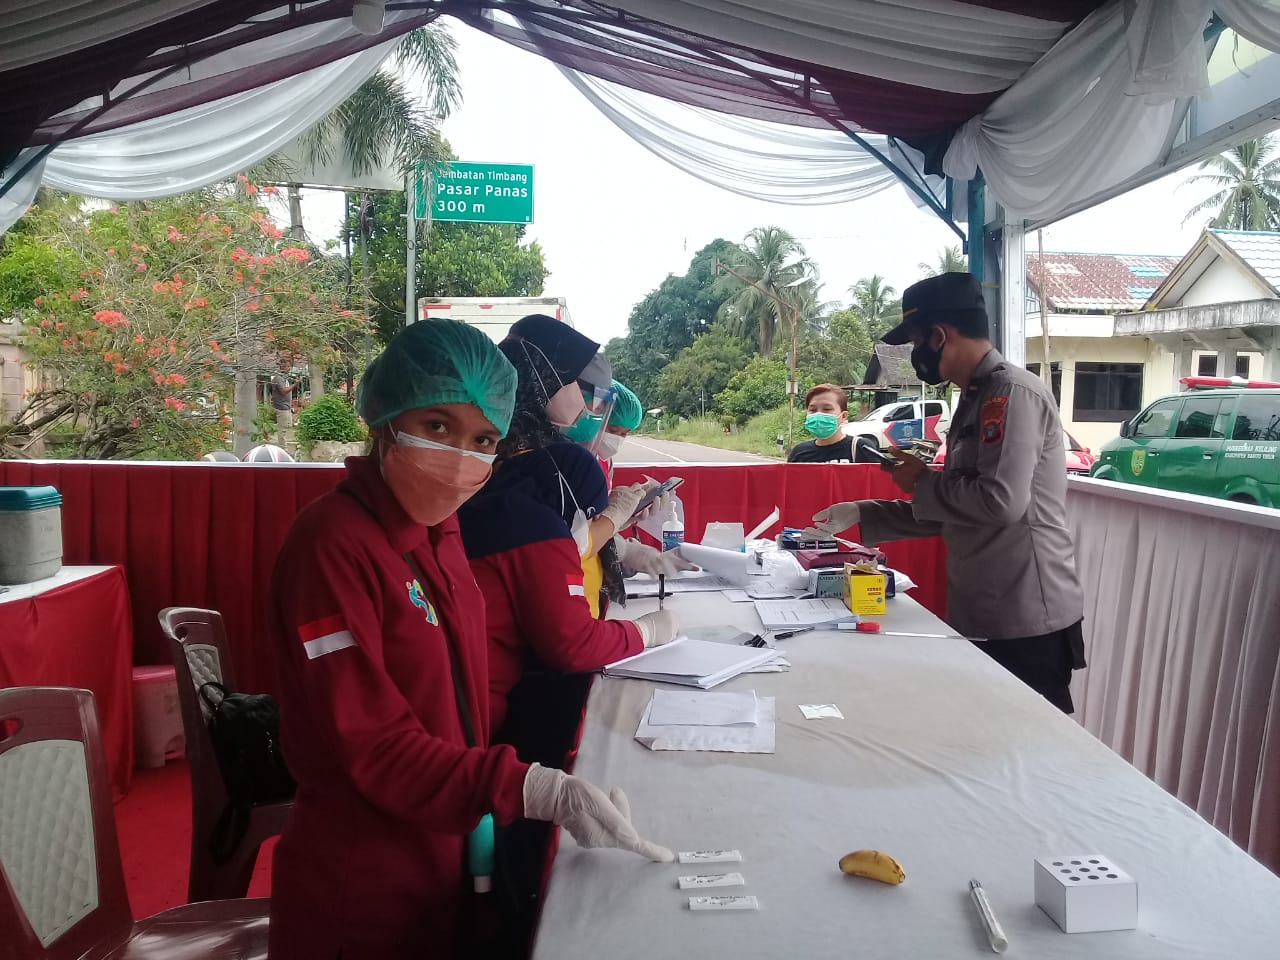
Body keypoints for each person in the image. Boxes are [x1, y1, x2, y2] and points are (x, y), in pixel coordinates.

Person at [266, 319, 671, 960]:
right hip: (363, 875)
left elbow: (460, 693)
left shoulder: (441, 531)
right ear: (384, 417)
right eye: (437, 427)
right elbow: (373, 748)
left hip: (446, 842)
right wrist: (531, 788)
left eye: (483, 439)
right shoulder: (332, 545)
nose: (460, 457)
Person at [805, 272, 1086, 713]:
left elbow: (998, 503)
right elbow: (958, 506)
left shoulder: (1010, 394)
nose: (916, 353)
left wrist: (921, 481)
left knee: (1029, 741)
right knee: (985, 732)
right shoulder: (974, 397)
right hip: (984, 605)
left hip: (1025, 612)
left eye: (917, 341)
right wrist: (865, 511)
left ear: (938, 336)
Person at [459, 314, 681, 744]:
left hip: (499, 672)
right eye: (582, 390)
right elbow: (567, 618)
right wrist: (648, 631)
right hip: (516, 687)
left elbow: (557, 552)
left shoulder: (527, 459)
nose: (590, 409)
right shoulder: (557, 468)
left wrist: (619, 535)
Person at [562, 377, 695, 580]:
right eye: (613, 430)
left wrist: (625, 515)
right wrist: (624, 546)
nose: (617, 439)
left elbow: (595, 523)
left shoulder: (604, 462)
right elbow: (573, 539)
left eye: (625, 434)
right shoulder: (564, 460)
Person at [789, 383, 855, 463]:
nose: (818, 414)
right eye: (812, 410)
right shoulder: (798, 453)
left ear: (843, 416)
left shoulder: (860, 448)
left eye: (827, 409)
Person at [269, 358, 296, 437]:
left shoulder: (284, 378)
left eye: (290, 366)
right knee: (282, 431)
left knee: (287, 428)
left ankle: (283, 444)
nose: (289, 369)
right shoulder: (278, 378)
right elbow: (284, 391)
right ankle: (282, 445)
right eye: (287, 366)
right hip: (281, 408)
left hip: (286, 407)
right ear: (282, 367)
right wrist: (295, 384)